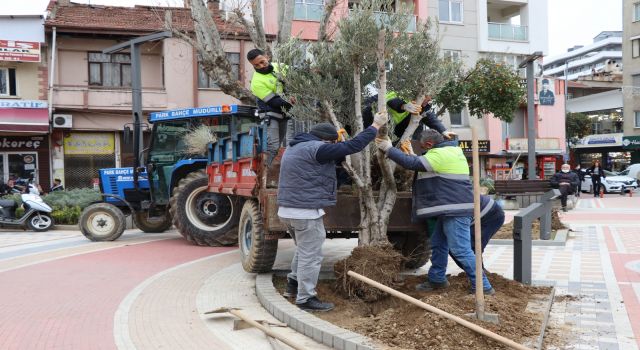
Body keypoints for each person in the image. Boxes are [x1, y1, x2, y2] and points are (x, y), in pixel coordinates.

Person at [278, 113, 388, 312]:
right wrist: (374, 126)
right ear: (325, 140)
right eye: (330, 143)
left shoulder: (294, 147)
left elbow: (330, 157)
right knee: (311, 256)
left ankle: (292, 286)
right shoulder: (317, 149)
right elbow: (352, 147)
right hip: (305, 213)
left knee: (304, 251)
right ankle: (305, 299)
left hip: (287, 211)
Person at [375, 129, 494, 295]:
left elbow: (415, 164)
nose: (425, 151)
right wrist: (410, 154)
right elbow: (422, 162)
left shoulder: (441, 154)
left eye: (425, 148)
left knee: (461, 250)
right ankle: (437, 279)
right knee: (439, 244)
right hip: (449, 209)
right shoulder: (449, 151)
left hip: (455, 210)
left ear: (430, 144)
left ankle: (483, 287)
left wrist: (388, 148)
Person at [247, 48, 295, 166]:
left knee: (277, 147)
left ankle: (265, 170)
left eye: (262, 61)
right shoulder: (256, 82)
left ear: (267, 56)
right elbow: (274, 102)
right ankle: (262, 173)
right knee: (272, 147)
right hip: (270, 115)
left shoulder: (280, 66)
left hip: (284, 114)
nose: (261, 66)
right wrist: (292, 101)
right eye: (256, 65)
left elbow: (298, 74)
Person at [362, 92, 456, 140]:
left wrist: (443, 131)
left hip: (388, 131)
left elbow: (430, 117)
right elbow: (392, 101)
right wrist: (404, 106)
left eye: (429, 100)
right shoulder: (404, 92)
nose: (426, 103)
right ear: (421, 95)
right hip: (368, 119)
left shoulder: (422, 107)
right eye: (426, 99)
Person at [450, 195, 505, 271]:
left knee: (470, 246)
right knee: (459, 246)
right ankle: (478, 274)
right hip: (480, 212)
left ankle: (481, 275)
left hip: (490, 214)